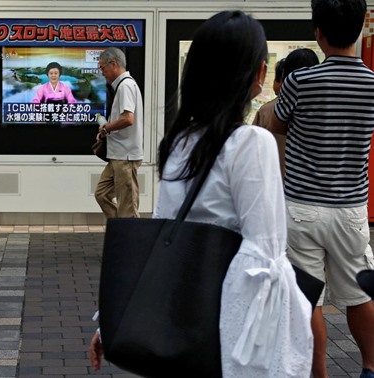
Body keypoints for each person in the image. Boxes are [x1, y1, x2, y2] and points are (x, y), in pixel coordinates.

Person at [90, 11, 313, 377]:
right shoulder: (251, 143)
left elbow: (162, 237)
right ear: (258, 75)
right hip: (224, 333)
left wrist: (113, 321)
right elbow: (265, 258)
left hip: (179, 322)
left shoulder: (179, 142)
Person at [271, 1, 374, 377]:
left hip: (302, 207)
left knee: (307, 298)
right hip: (351, 208)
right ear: (361, 28)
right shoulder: (371, 83)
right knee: (359, 294)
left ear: (318, 32)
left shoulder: (301, 80)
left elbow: (279, 124)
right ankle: (369, 368)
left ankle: (319, 374)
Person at [93, 47, 143, 219]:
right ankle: (119, 229)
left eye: (102, 68)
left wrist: (107, 128)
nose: (102, 73)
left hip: (126, 157)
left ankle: (131, 239)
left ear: (113, 64)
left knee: (127, 207)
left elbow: (128, 119)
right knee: (101, 194)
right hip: (117, 155)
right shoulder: (123, 86)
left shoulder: (126, 86)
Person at [254, 49, 320, 177]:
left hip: (275, 182)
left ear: (285, 75)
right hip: (311, 185)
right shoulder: (323, 107)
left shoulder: (266, 111)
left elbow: (253, 151)